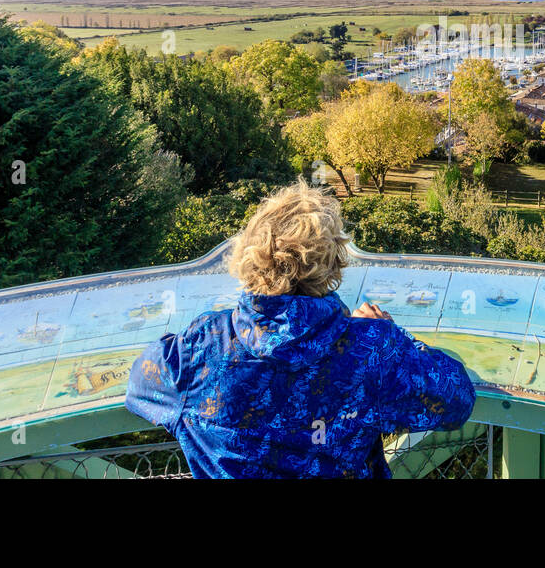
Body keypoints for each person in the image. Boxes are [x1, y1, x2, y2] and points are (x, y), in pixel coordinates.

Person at [125, 179, 476, 478]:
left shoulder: (199, 352)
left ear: (247, 255)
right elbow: (458, 398)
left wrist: (204, 337)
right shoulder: (372, 351)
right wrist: (391, 335)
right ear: (333, 264)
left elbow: (139, 385)